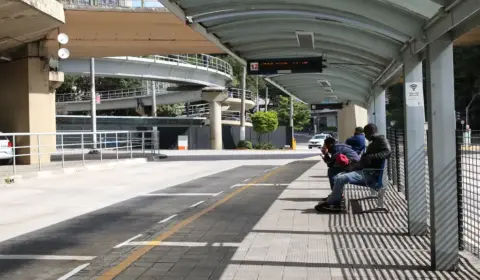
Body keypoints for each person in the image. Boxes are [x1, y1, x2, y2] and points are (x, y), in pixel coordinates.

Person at [315, 123, 392, 213]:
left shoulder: (381, 139)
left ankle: (333, 203)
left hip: (370, 175)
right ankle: (334, 200)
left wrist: (371, 157)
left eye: (366, 134)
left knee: (340, 178)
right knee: (338, 176)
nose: (365, 136)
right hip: (366, 171)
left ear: (371, 132)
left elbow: (388, 152)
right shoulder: (374, 142)